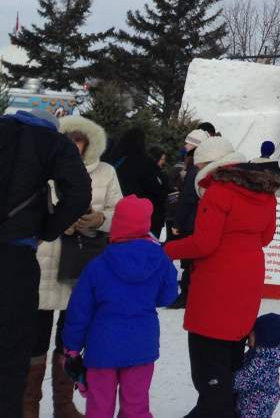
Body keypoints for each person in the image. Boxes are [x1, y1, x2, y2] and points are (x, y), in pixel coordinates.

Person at [163, 138, 278, 417]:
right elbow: (266, 237)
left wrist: (166, 250)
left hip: (216, 283)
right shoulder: (265, 192)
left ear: (207, 166)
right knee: (231, 359)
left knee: (208, 369)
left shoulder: (218, 192)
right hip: (249, 277)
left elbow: (204, 243)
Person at [1, 110, 90, 418]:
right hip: (15, 259)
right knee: (12, 352)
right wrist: (48, 229)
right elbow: (79, 195)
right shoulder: (53, 142)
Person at [34, 114, 123, 418]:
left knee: (70, 338)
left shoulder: (106, 172)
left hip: (83, 264)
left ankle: (63, 403)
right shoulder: (42, 166)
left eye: (79, 138)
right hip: (45, 261)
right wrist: (57, 222)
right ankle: (28, 404)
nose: (73, 143)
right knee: (34, 339)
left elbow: (119, 210)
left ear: (90, 142)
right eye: (68, 137)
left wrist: (100, 219)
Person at [61, 196, 178, 418]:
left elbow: (79, 311)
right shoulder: (160, 260)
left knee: (99, 407)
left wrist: (72, 348)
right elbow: (168, 296)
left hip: (102, 348)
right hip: (141, 346)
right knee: (136, 406)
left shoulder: (98, 264)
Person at [168, 127, 212, 309]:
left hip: (191, 220)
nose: (184, 145)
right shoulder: (205, 167)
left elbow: (187, 198)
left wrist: (177, 222)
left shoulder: (194, 168)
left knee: (189, 261)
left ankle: (186, 295)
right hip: (199, 219)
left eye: (188, 142)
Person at [232, 313, 280, 418]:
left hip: (254, 406)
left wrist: (221, 379)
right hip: (265, 399)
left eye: (252, 334)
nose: (248, 336)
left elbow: (237, 382)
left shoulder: (260, 362)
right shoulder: (268, 354)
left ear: (263, 337)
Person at [111, 129, 167, 239]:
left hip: (118, 213)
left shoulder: (115, 160)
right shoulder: (145, 163)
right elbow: (156, 189)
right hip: (143, 217)